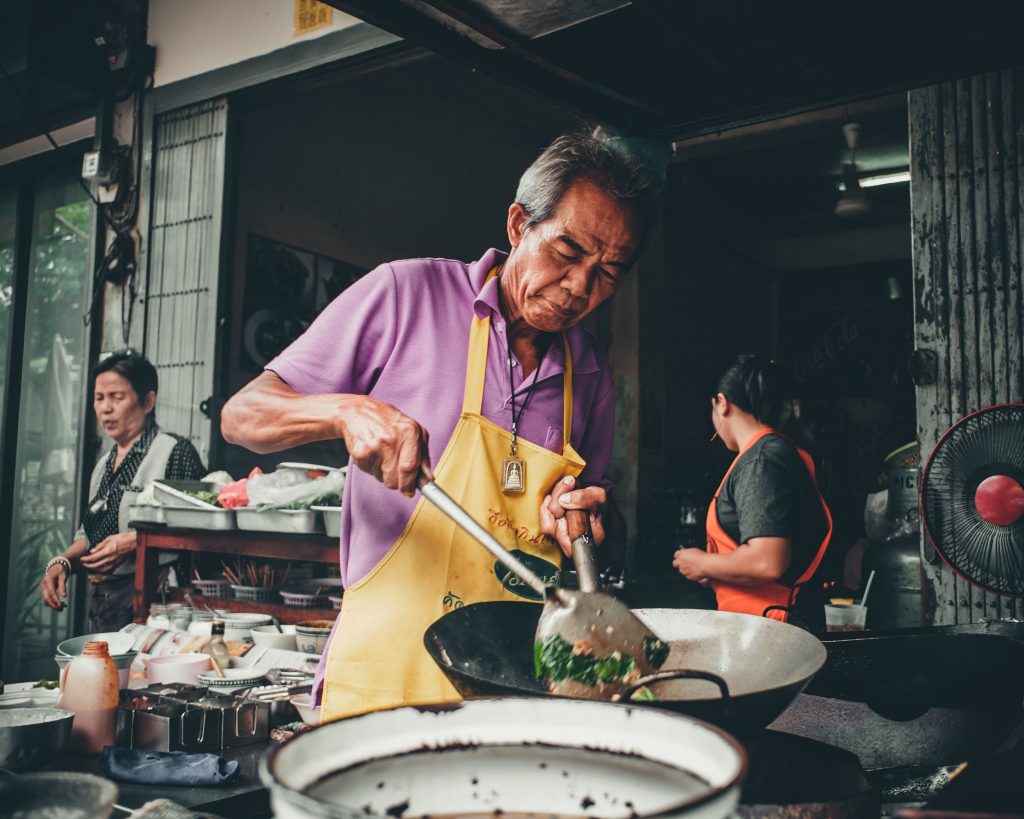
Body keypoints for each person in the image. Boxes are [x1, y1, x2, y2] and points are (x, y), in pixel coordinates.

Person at [221, 127, 662, 720]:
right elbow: (243, 414)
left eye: (610, 272)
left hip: (514, 692)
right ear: (517, 225)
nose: (581, 287)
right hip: (385, 677)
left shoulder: (591, 375)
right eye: (568, 253)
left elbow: (594, 515)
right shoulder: (407, 294)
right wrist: (347, 408)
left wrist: (584, 518)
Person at [40, 352, 206, 631]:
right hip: (106, 603)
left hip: (158, 605)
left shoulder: (174, 452)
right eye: (99, 397)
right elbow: (89, 534)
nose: (105, 408)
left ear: (148, 402)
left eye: (117, 397)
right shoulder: (104, 464)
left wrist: (135, 540)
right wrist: (62, 562)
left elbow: (196, 525)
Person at [673, 355, 832, 625]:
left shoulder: (761, 461)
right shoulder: (774, 452)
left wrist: (701, 562)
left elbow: (767, 561)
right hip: (765, 623)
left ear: (722, 404)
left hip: (775, 623)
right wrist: (716, 571)